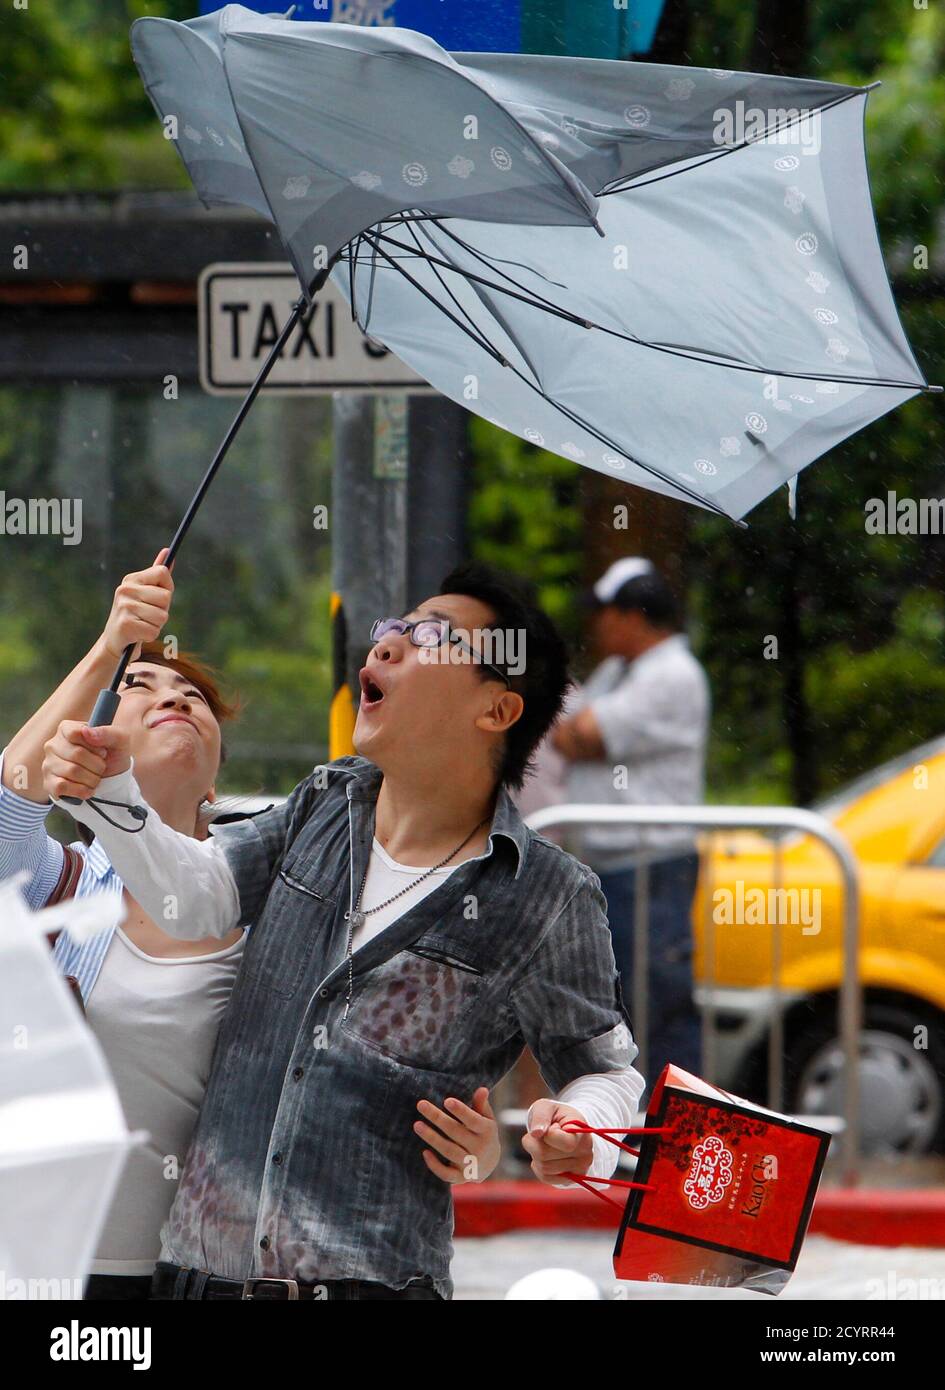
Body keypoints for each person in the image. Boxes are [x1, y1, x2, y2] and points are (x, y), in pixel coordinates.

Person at [43, 561, 646, 1302]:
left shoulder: (546, 895)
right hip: (197, 1279)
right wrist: (108, 789)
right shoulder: (323, 804)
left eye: (429, 636)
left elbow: (608, 1069)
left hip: (372, 1286)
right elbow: (193, 899)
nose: (385, 645)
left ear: (495, 710)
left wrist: (579, 1125)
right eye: (391, 629)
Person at [0, 551, 246, 1299]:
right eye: (139, 686)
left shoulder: (271, 896)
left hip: (205, 1278)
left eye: (193, 695)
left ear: (217, 768)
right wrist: (112, 645)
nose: (174, 695)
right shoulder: (59, 882)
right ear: (94, 732)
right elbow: (11, 794)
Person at [551, 557, 710, 1086]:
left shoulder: (671, 673)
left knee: (658, 997)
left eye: (605, 613)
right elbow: (564, 731)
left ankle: (681, 1133)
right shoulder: (623, 671)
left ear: (634, 615)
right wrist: (573, 731)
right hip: (616, 864)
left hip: (651, 864)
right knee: (622, 1000)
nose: (597, 625)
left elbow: (581, 735)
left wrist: (575, 732)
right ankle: (639, 1125)